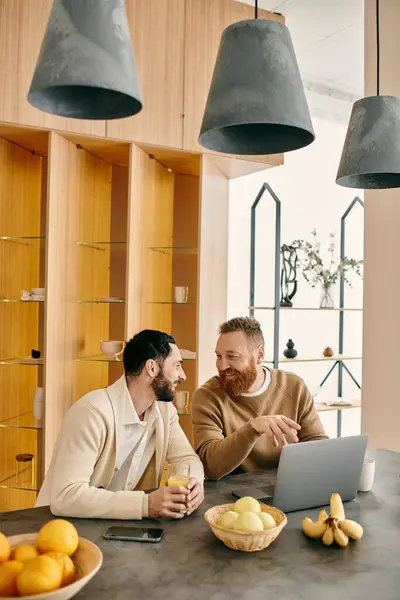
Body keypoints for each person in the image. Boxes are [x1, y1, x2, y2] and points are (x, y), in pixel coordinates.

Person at [36, 330, 204, 520]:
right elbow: (66, 496)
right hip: (57, 531)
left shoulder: (165, 412)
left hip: (115, 532)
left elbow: (186, 458)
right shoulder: (91, 413)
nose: (183, 376)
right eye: (177, 365)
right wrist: (145, 504)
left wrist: (193, 486)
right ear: (152, 368)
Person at [192, 316, 327, 480]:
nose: (222, 366)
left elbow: (318, 445)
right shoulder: (207, 396)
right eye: (219, 356)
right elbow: (210, 466)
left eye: (232, 357)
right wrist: (252, 429)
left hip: (287, 486)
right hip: (230, 498)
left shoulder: (294, 386)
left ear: (259, 354)